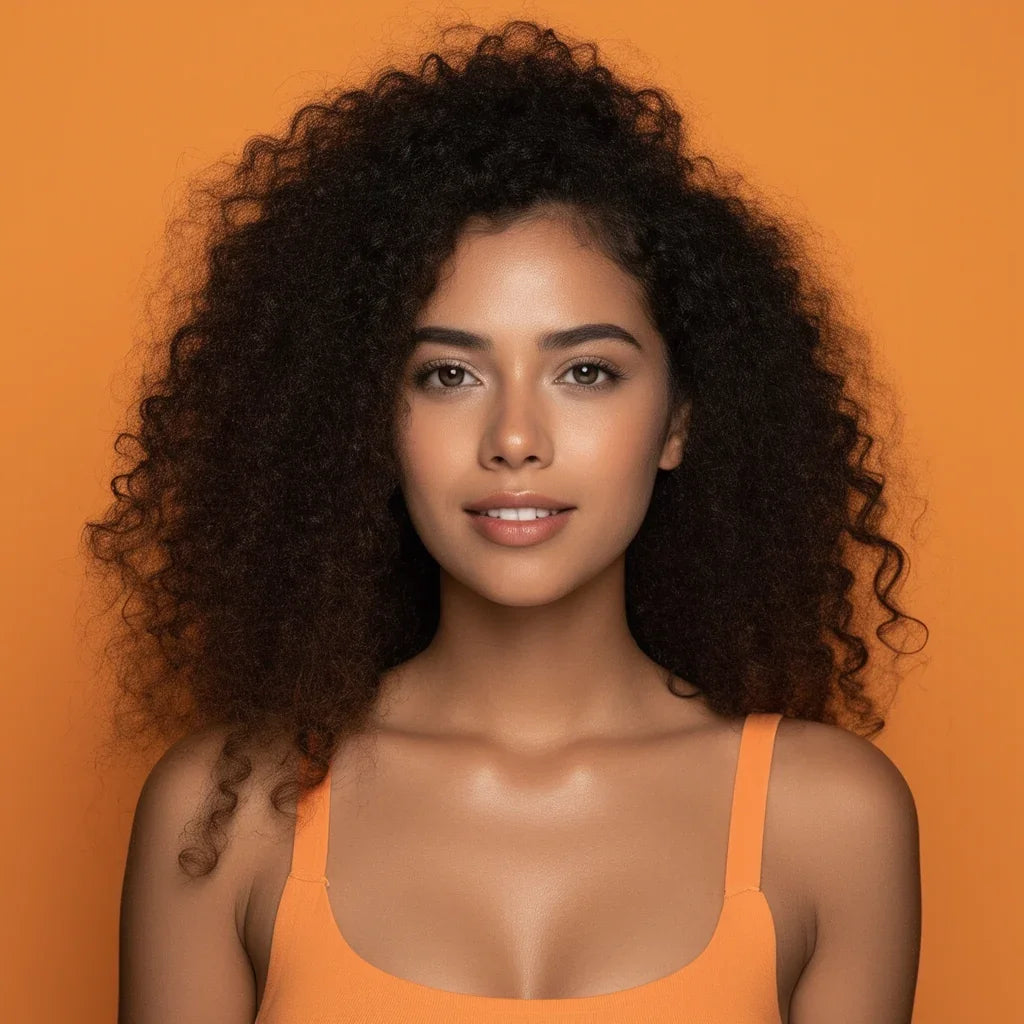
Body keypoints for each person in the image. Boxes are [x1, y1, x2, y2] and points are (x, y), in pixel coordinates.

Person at [86, 19, 924, 1024]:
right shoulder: (225, 816)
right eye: (447, 374)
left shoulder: (829, 822)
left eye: (584, 372)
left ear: (679, 421)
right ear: (367, 419)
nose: (514, 436)